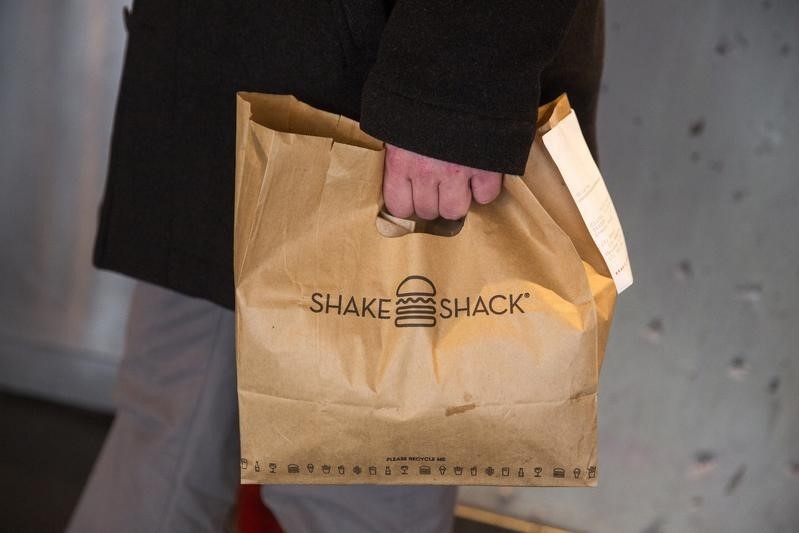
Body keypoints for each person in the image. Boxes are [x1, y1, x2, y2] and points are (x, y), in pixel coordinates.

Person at [68, 1, 605, 532]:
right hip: (215, 73)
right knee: (165, 419)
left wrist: (453, 91)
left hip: (377, 92)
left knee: (359, 481)